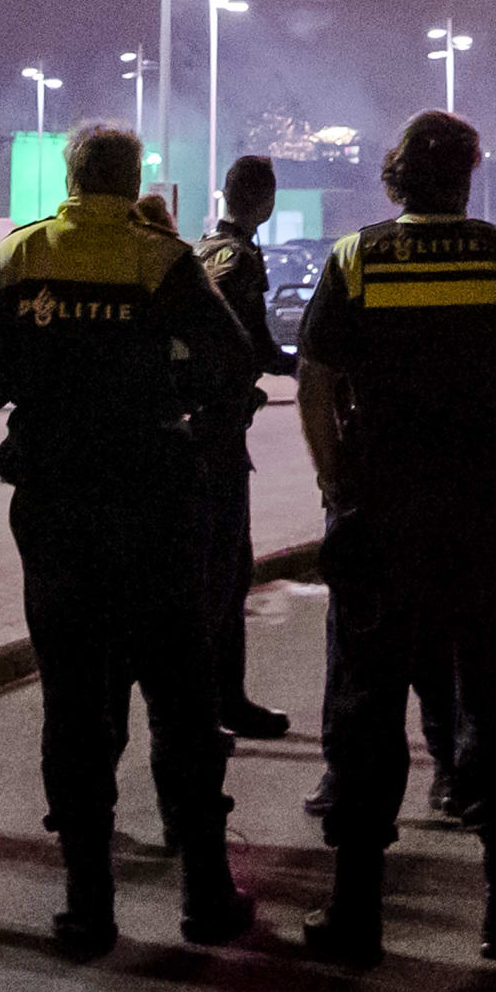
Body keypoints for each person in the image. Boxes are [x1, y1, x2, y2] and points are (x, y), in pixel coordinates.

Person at [0, 119, 258, 957]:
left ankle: (88, 906)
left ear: (71, 174)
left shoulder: (19, 257)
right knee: (181, 697)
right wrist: (166, 388)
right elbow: (233, 360)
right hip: (155, 498)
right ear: (133, 183)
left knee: (75, 705)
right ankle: (205, 893)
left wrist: (45, 377)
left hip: (55, 508)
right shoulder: (161, 258)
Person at [290, 107, 496, 967]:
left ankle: (355, 911)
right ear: (468, 177)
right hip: (481, 505)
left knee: (368, 696)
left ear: (396, 176)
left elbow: (314, 379)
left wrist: (336, 487)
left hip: (380, 506)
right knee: (494, 689)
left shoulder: (355, 258)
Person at [196, 154, 300, 738]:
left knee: (213, 568)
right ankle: (222, 702)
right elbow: (254, 344)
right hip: (221, 432)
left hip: (196, 428)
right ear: (264, 201)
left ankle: (214, 699)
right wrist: (299, 365)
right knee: (228, 571)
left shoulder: (200, 249)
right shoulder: (242, 259)